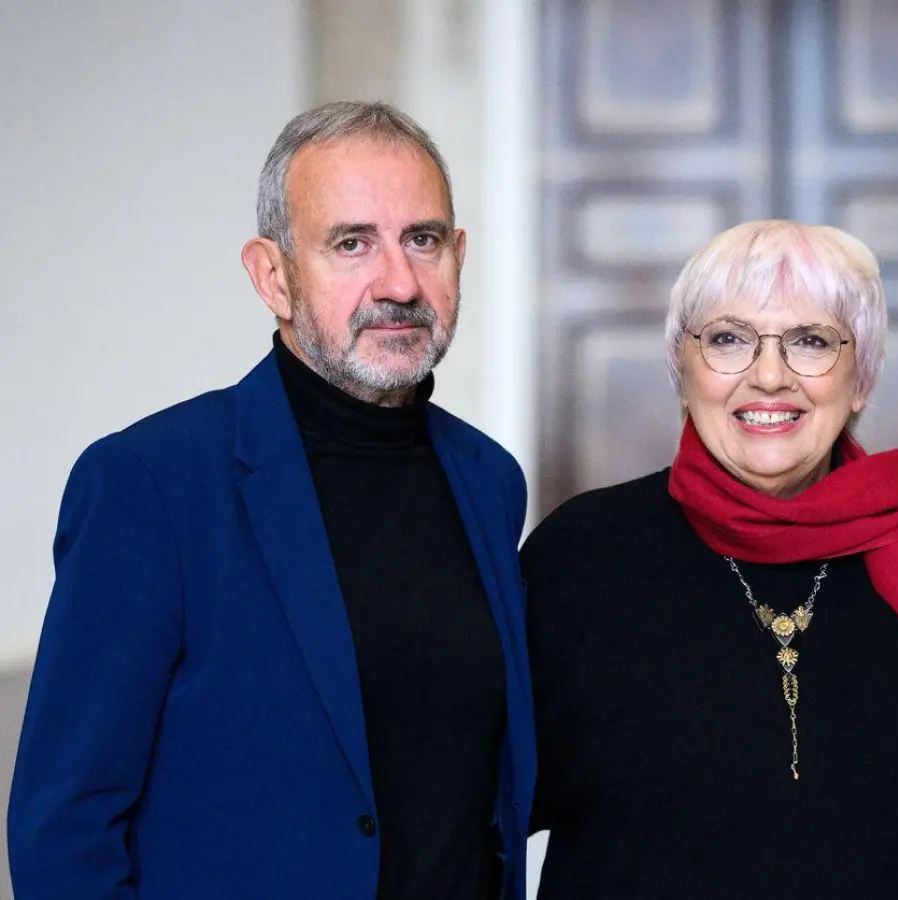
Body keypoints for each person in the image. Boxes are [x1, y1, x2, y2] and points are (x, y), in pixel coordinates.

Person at [8, 101, 536, 900]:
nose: (398, 282)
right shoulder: (151, 485)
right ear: (273, 275)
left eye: (422, 240)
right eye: (351, 243)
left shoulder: (489, 480)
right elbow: (64, 827)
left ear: (458, 256)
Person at [521, 220, 898, 899]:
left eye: (811, 342)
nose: (769, 376)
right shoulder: (577, 558)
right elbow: (478, 809)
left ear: (859, 378)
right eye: (728, 340)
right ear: (682, 372)